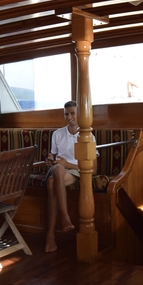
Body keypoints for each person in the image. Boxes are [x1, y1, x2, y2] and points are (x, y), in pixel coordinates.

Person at [45, 100, 80, 252]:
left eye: (72, 113)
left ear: (79, 114)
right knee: (57, 169)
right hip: (57, 168)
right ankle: (65, 217)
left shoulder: (87, 136)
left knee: (52, 183)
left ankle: (50, 236)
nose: (69, 117)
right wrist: (50, 160)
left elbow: (93, 169)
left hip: (74, 170)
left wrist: (68, 165)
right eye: (66, 114)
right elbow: (53, 156)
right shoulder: (57, 134)